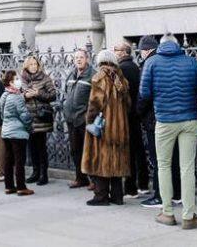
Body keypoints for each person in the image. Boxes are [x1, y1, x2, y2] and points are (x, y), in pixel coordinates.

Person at [139, 34, 197, 230]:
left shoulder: (151, 62)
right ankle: (188, 216)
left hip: (164, 121)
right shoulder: (191, 62)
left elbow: (144, 93)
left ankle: (167, 213)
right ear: (178, 45)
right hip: (189, 119)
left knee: (163, 166)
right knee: (187, 168)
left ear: (160, 46)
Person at [84, 50, 132, 206]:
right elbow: (128, 104)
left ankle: (101, 196)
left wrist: (89, 121)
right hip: (120, 127)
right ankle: (117, 196)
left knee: (101, 159)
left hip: (104, 126)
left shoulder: (99, 78)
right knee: (117, 160)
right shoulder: (121, 79)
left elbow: (95, 103)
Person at [135, 35, 172, 209]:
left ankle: (159, 195)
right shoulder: (167, 62)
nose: (140, 53)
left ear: (147, 50)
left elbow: (145, 95)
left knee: (159, 160)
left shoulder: (149, 64)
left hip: (154, 119)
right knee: (171, 159)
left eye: (141, 50)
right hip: (171, 117)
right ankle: (174, 194)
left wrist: (138, 112)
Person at [113, 41, 146, 197]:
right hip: (135, 113)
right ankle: (143, 184)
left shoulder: (122, 69)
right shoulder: (134, 66)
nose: (114, 52)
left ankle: (131, 187)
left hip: (126, 114)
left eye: (116, 50)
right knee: (138, 150)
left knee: (130, 151)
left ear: (123, 52)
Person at [20, 54, 57, 186]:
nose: (33, 66)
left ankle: (43, 174)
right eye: (31, 64)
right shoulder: (23, 79)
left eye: (35, 64)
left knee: (41, 147)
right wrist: (25, 95)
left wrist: (38, 93)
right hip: (28, 118)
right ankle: (35, 173)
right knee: (32, 147)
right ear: (26, 66)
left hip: (41, 118)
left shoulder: (45, 78)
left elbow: (53, 95)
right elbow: (18, 95)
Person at [62, 49, 94, 190]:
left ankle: (94, 180)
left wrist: (88, 115)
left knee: (89, 151)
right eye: (76, 58)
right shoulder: (71, 74)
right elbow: (66, 94)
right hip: (71, 119)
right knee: (75, 151)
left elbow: (95, 99)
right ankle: (80, 178)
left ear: (87, 59)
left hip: (84, 120)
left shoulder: (92, 75)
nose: (79, 60)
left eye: (81, 57)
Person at [0, 70, 34, 196]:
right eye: (16, 79)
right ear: (11, 82)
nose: (19, 81)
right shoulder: (17, 97)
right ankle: (21, 187)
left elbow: (2, 114)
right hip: (18, 133)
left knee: (8, 160)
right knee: (19, 161)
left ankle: (9, 186)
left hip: (6, 131)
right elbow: (24, 116)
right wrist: (29, 126)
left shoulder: (4, 95)